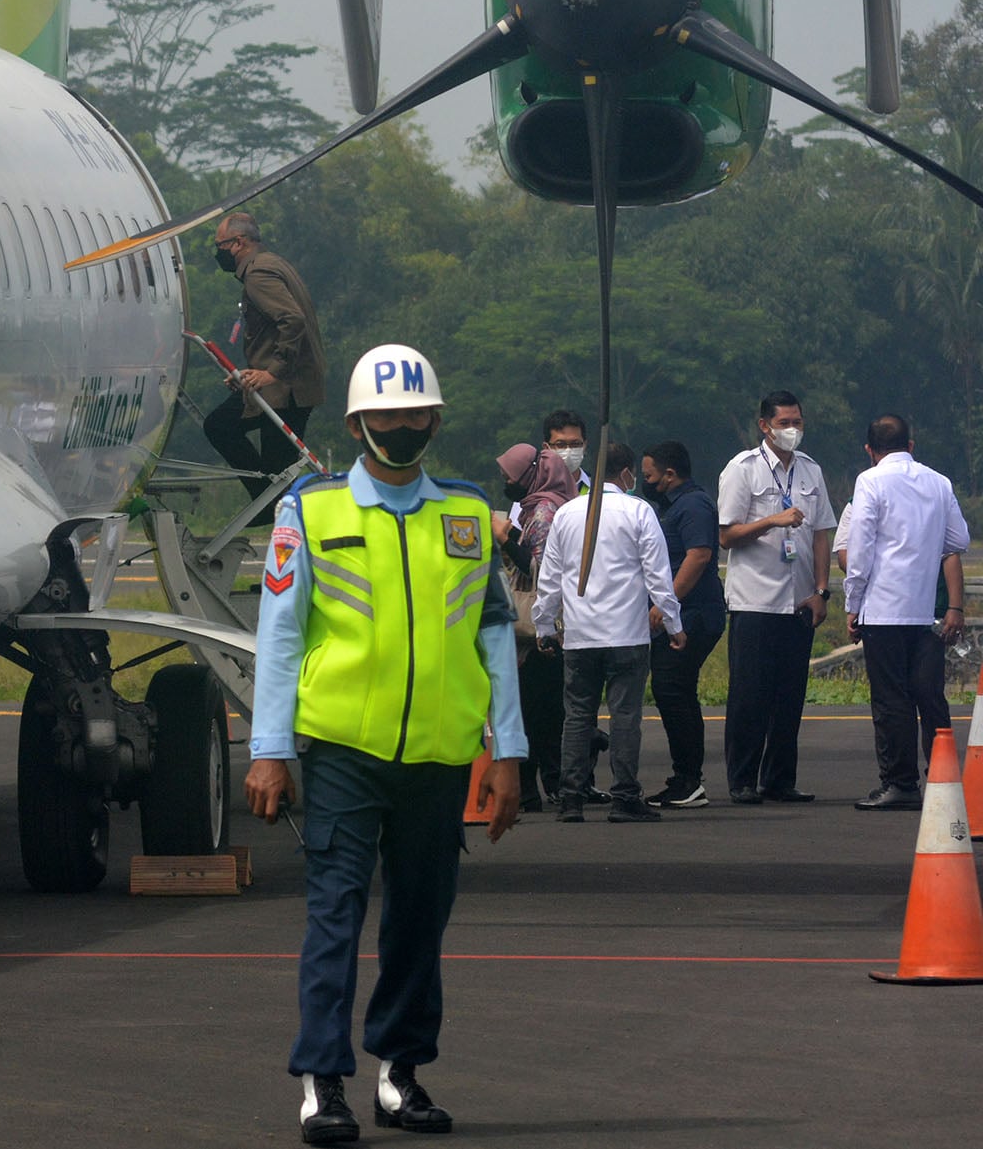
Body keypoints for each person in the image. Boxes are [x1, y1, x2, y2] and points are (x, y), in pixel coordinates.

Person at [246, 343, 525, 1145]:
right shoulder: (311, 509)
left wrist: (506, 752)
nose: (400, 428)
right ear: (358, 423)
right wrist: (271, 748)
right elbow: (281, 633)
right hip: (342, 749)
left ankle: (400, 1073)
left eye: (413, 415)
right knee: (335, 910)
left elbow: (495, 634)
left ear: (434, 420)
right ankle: (322, 1080)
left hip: (439, 756)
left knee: (421, 916)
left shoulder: (468, 515)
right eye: (384, 416)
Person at [533, 441, 686, 823]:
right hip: (627, 634)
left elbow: (550, 578)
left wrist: (543, 625)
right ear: (627, 473)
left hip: (581, 635)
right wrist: (673, 623)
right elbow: (658, 574)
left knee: (577, 717)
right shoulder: (639, 511)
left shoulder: (567, 514)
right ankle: (624, 797)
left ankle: (570, 799)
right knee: (625, 718)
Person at [842, 415, 971, 810]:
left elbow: (860, 550)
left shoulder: (871, 481)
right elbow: (958, 539)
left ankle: (899, 783)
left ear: (870, 450)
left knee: (890, 700)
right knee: (930, 696)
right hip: (924, 611)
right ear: (910, 446)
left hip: (883, 609)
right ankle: (943, 776)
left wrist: (853, 603)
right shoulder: (939, 482)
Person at [717, 390, 837, 805]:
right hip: (755, 600)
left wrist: (821, 590)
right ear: (764, 425)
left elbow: (821, 533)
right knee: (750, 695)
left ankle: (780, 779)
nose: (792, 430)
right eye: (784, 422)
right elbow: (727, 534)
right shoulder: (743, 469)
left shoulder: (810, 470)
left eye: (798, 422)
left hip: (799, 600)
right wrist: (773, 520)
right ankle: (743, 779)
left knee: (789, 697)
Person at [202, 211, 326, 503]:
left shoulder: (258, 274)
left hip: (284, 390)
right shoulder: (275, 264)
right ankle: (271, 509)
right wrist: (253, 372)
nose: (219, 253)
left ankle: (264, 504)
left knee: (219, 426)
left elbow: (292, 320)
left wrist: (272, 373)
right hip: (295, 387)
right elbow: (276, 330)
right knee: (278, 473)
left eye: (220, 246)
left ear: (238, 243)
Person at [640, 441, 727, 808]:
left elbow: (699, 555)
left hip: (695, 614)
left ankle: (688, 779)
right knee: (677, 690)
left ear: (670, 474)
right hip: (687, 612)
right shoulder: (676, 505)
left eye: (649, 476)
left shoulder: (692, 505)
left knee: (672, 687)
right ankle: (686, 778)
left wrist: (666, 602)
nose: (647, 482)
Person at [495, 442, 581, 809]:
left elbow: (542, 569)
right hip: (550, 626)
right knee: (545, 712)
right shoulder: (540, 506)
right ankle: (548, 783)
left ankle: (537, 789)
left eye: (510, 476)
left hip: (541, 628)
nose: (506, 482)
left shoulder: (544, 511)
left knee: (535, 711)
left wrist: (506, 539)